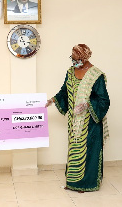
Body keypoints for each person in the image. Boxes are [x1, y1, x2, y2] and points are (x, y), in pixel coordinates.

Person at [45, 44, 110, 192]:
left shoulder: (96, 75)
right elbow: (64, 91)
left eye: (77, 59)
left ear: (85, 58)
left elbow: (103, 100)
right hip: (74, 121)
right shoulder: (70, 72)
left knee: (88, 151)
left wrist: (87, 104)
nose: (74, 62)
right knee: (75, 149)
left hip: (91, 122)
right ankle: (73, 183)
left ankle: (86, 184)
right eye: (72, 58)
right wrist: (53, 100)